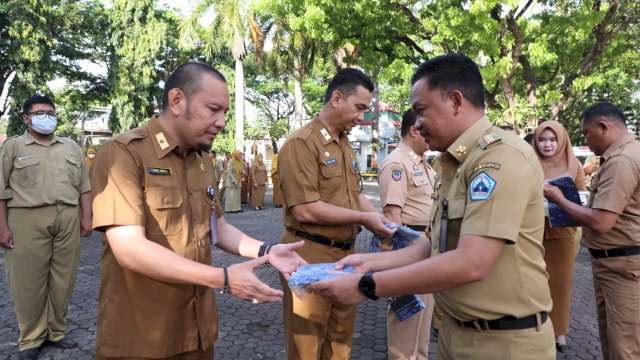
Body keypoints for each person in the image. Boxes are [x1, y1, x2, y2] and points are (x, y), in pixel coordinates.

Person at [311, 54, 555, 360]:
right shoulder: (457, 163)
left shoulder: (498, 159)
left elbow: (472, 262)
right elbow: (434, 244)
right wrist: (371, 264)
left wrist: (367, 286)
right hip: (458, 332)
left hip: (504, 342)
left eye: (421, 111)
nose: (417, 124)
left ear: (455, 101)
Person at [90, 62, 305, 360]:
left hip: (197, 330)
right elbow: (129, 249)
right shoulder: (124, 153)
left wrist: (267, 250)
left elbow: (217, 227)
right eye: (213, 109)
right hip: (142, 337)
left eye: (225, 113)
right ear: (177, 101)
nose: (221, 122)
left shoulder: (201, 160)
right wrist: (225, 279)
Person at [277, 67, 394, 360]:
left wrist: (378, 218)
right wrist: (364, 219)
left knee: (340, 343)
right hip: (309, 255)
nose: (361, 117)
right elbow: (305, 209)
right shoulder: (301, 143)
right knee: (307, 345)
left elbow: (354, 196)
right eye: (359, 108)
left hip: (346, 256)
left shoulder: (344, 143)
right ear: (337, 98)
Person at [543, 101, 640, 360]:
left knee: (624, 346)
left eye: (586, 133)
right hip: (615, 261)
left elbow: (601, 221)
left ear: (603, 126)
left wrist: (558, 198)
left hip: (622, 265)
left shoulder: (622, 161)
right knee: (614, 340)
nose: (585, 139)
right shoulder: (627, 154)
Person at [0, 95, 92, 360]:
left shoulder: (71, 147)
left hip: (68, 217)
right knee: (28, 281)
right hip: (26, 218)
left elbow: (84, 186)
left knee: (63, 279)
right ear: (26, 118)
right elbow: (1, 190)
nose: (47, 117)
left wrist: (87, 217)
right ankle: (30, 338)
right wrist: (2, 227)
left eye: (51, 113)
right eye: (40, 113)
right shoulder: (13, 147)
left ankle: (56, 332)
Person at [378, 109, 436, 360]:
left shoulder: (422, 162)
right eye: (429, 128)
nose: (434, 134)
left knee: (422, 321)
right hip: (411, 247)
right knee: (408, 318)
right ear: (414, 130)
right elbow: (392, 216)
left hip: (427, 247)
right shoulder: (397, 163)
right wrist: (401, 264)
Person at [532, 120, 586, 353]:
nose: (547, 145)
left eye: (552, 140)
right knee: (532, 283)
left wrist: (560, 197)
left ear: (561, 141)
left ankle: (559, 332)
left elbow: (583, 196)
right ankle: (534, 330)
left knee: (560, 285)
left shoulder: (574, 165)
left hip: (562, 233)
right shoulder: (528, 163)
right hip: (531, 232)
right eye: (542, 139)